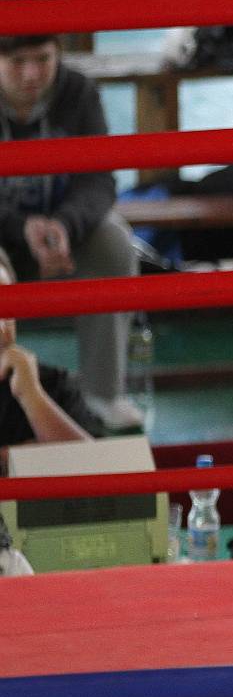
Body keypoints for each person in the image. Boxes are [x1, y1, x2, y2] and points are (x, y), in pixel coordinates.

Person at [0, 21, 141, 431]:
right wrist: (19, 228)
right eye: (17, 62)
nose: (32, 74)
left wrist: (66, 225)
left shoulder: (77, 92)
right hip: (4, 238)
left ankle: (103, 394)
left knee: (114, 245)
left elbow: (99, 179)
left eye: (43, 59)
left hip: (60, 234)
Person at [1, 251, 98, 455]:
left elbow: (101, 466)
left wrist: (32, 398)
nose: (1, 326)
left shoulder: (53, 386)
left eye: (6, 305)